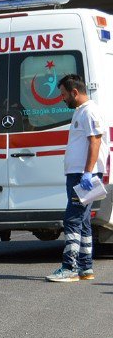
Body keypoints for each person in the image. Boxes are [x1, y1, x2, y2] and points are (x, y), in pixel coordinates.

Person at [46, 74, 109, 282]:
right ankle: (85, 267)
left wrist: (88, 172)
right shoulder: (81, 111)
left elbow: (95, 141)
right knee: (82, 221)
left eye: (64, 94)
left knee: (72, 218)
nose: (62, 98)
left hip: (83, 175)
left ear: (75, 92)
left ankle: (69, 267)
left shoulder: (89, 111)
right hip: (79, 174)